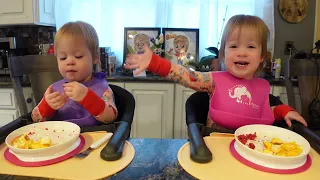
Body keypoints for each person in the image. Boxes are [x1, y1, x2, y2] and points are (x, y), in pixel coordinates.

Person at [125, 15, 307, 130]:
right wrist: (156, 63)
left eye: (250, 46)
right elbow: (186, 76)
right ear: (223, 54)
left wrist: (283, 110)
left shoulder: (261, 88)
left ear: (261, 57)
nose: (241, 52)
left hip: (252, 149)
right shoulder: (212, 81)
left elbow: (264, 113)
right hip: (217, 148)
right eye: (234, 46)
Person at [31, 21, 118, 127]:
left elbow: (110, 118)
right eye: (63, 58)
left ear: (94, 57)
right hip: (60, 139)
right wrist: (47, 106)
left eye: (78, 56)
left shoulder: (103, 89)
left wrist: (87, 97)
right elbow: (35, 119)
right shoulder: (53, 90)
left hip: (93, 139)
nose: (70, 62)